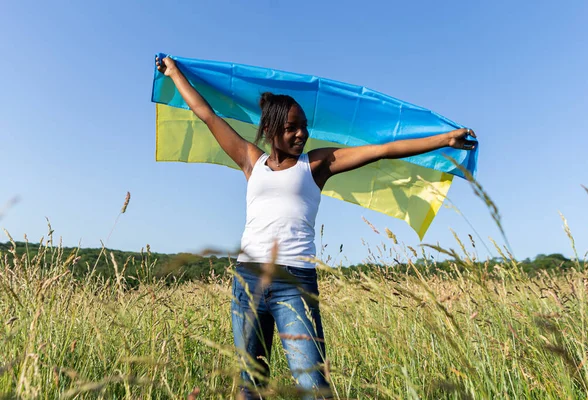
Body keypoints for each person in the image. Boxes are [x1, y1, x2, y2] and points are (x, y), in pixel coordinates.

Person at [155, 56, 477, 399]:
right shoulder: (252, 160)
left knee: (312, 386)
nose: (301, 134)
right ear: (270, 130)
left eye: (303, 126)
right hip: (248, 280)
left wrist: (444, 140)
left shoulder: (316, 164)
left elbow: (382, 149)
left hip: (294, 283)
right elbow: (207, 114)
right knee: (250, 386)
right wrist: (174, 73)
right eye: (292, 127)